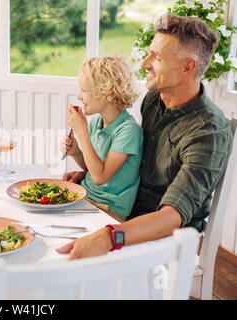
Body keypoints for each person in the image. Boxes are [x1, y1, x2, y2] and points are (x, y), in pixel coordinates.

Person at [58, 14, 233, 260]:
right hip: (127, 215)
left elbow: (171, 217)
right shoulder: (154, 100)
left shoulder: (208, 132)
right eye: (149, 53)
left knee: (70, 263)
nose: (144, 63)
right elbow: (135, 161)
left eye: (157, 57)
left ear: (187, 67)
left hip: (167, 239)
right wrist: (88, 173)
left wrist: (110, 236)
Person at [61, 55, 143, 218]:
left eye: (84, 90)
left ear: (105, 92)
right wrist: (76, 151)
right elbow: (91, 169)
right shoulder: (96, 122)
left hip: (108, 210)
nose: (79, 96)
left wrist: (82, 132)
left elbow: (100, 177)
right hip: (87, 198)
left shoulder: (128, 131)